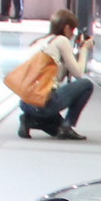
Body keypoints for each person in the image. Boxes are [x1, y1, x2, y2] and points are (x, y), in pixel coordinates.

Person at [17, 9, 93, 140]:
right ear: (67, 28)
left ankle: (29, 119)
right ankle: (67, 125)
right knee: (86, 85)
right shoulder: (61, 41)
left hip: (25, 102)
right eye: (73, 30)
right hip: (43, 102)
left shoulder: (41, 41)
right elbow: (79, 74)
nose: (72, 35)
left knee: (55, 129)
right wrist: (84, 50)